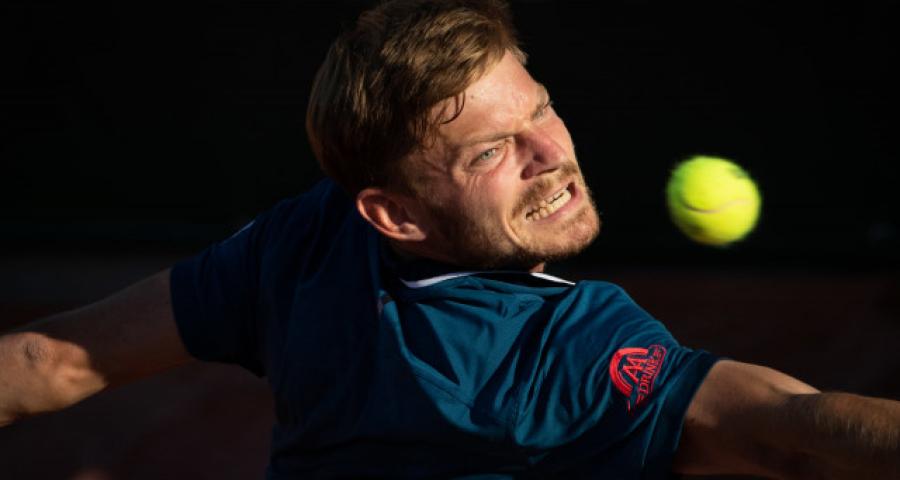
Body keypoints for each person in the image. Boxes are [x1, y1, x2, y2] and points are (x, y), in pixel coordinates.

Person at [1, 0, 898, 478]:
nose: (552, 155)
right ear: (396, 214)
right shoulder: (562, 348)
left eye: (540, 109)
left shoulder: (307, 240)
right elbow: (792, 433)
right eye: (492, 151)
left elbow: (50, 361)